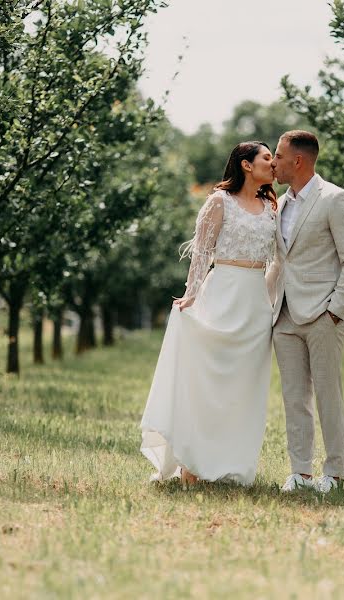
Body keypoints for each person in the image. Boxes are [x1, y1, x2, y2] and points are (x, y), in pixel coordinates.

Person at [140, 141, 277, 486]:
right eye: (266, 157)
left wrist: (273, 302)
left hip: (255, 303)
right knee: (207, 384)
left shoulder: (271, 206)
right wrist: (191, 296)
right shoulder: (220, 202)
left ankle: (231, 464)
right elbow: (201, 252)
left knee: (242, 390)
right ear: (246, 165)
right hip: (222, 295)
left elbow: (279, 260)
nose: (273, 163)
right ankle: (192, 464)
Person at [266, 130, 344, 494]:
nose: (272, 163)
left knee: (327, 394)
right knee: (294, 398)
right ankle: (301, 472)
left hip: (324, 315)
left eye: (277, 156)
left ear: (298, 161)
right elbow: (280, 261)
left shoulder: (335, 199)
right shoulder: (278, 203)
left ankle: (335, 475)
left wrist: (336, 312)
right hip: (284, 315)